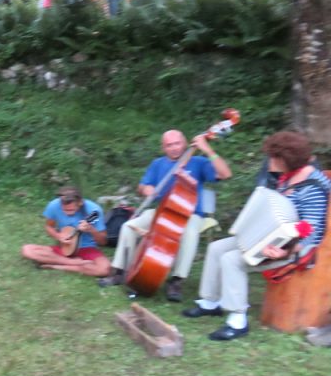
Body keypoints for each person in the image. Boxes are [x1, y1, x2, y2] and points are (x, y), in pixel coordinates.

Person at [187, 131, 330, 341]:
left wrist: (283, 251)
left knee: (232, 260)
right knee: (216, 248)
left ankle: (238, 320)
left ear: (285, 160)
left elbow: (311, 234)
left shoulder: (313, 188)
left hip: (296, 252)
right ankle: (211, 302)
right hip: (268, 240)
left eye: (273, 158)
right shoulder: (287, 177)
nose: (269, 162)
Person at [98, 130, 232, 301]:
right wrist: (146, 189)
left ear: (184, 143)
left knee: (190, 233)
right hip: (162, 210)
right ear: (163, 148)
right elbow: (143, 186)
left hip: (190, 214)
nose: (174, 148)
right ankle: (119, 272)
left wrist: (208, 150)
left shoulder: (198, 162)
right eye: (169, 145)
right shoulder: (158, 164)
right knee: (128, 226)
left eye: (177, 143)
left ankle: (176, 280)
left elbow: (226, 174)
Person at [20, 186, 110, 276]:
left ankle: (56, 266)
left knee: (105, 269)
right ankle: (74, 263)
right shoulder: (54, 205)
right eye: (64, 210)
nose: (67, 213)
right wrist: (58, 236)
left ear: (80, 203)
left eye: (71, 210)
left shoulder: (94, 210)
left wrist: (91, 229)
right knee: (27, 249)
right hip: (64, 248)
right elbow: (48, 226)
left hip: (87, 248)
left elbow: (103, 241)